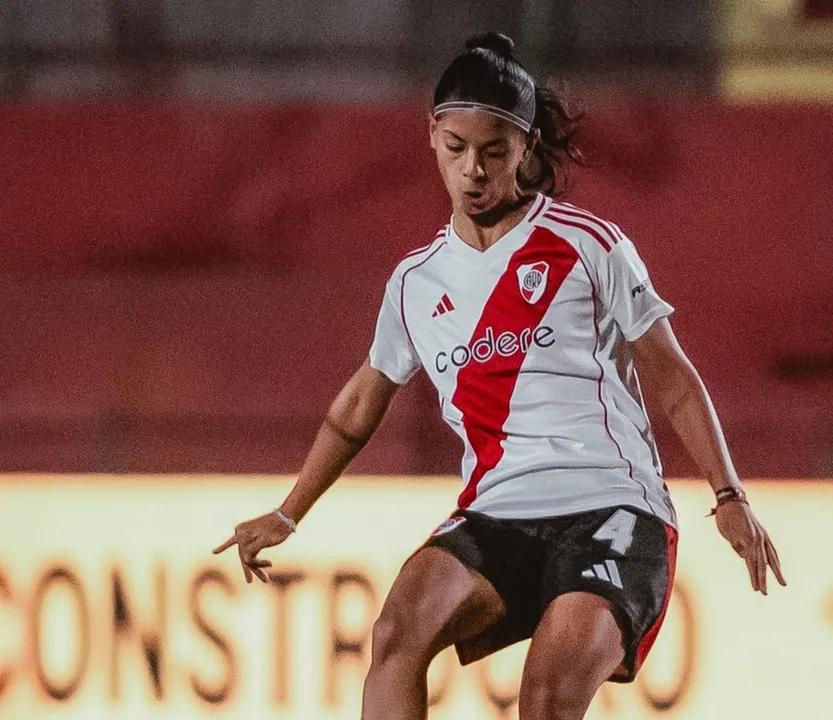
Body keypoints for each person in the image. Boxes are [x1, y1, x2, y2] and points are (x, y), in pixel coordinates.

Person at [213, 31, 785, 720]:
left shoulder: (588, 244)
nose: (473, 171)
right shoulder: (415, 283)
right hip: (496, 513)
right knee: (396, 633)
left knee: (544, 699)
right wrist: (288, 511)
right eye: (456, 150)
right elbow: (360, 403)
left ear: (527, 146)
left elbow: (672, 377)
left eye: (494, 152)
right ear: (432, 137)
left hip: (611, 509)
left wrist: (729, 495)